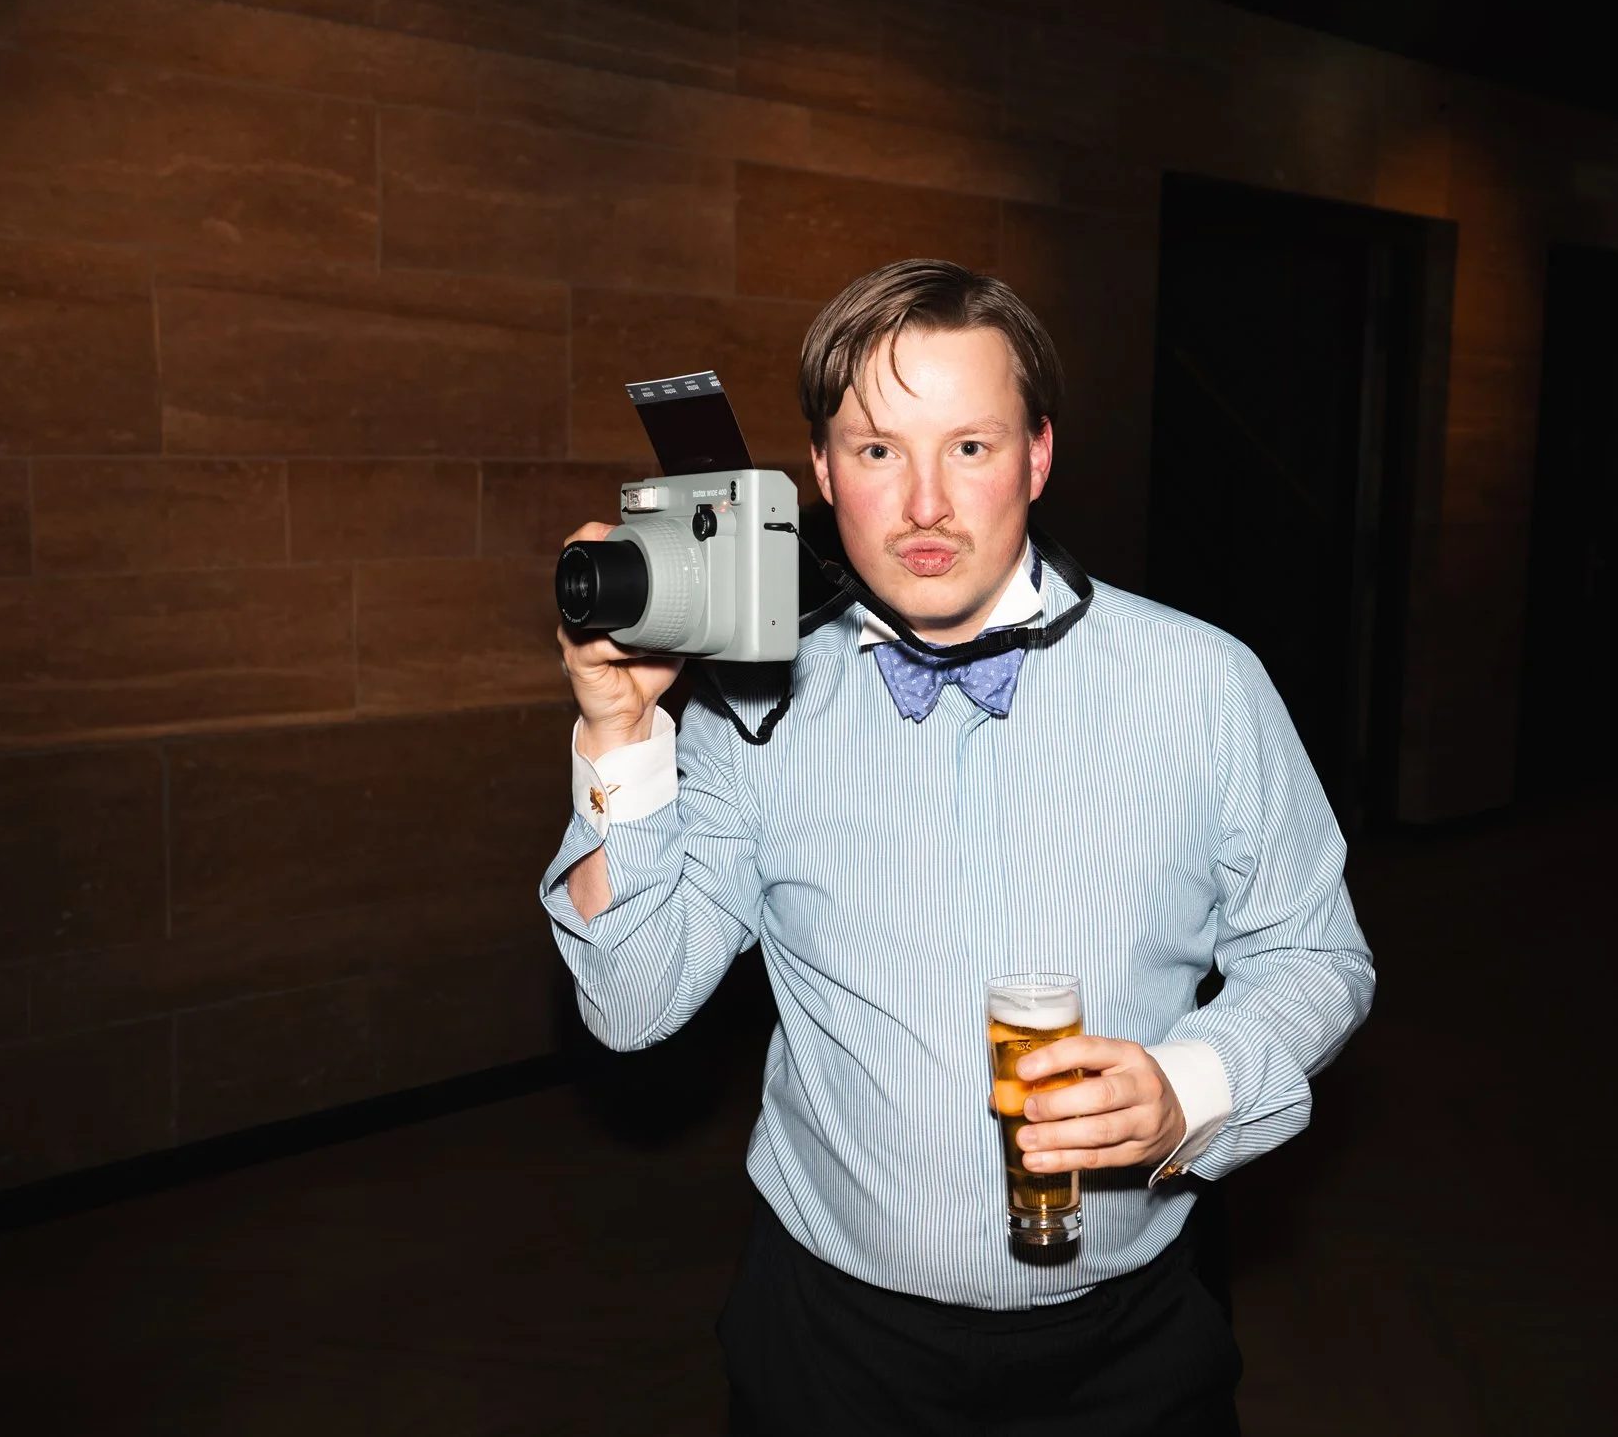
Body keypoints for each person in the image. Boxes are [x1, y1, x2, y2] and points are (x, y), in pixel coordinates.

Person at [545, 259, 1374, 1435]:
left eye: (970, 446)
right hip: (831, 1349)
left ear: (1037, 456)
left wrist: (1190, 1085)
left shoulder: (1201, 683)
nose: (925, 502)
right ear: (821, 471)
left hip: (1128, 1349)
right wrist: (621, 733)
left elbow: (1315, 954)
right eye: (878, 449)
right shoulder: (750, 703)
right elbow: (630, 1002)